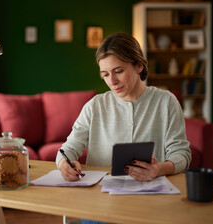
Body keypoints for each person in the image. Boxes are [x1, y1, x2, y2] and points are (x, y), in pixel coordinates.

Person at [56, 32, 191, 183]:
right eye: (105, 74)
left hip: (151, 191)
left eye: (118, 71)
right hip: (101, 193)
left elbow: (182, 154)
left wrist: (159, 169)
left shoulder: (166, 102)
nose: (112, 81)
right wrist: (63, 164)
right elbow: (68, 148)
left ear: (139, 65)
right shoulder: (95, 106)